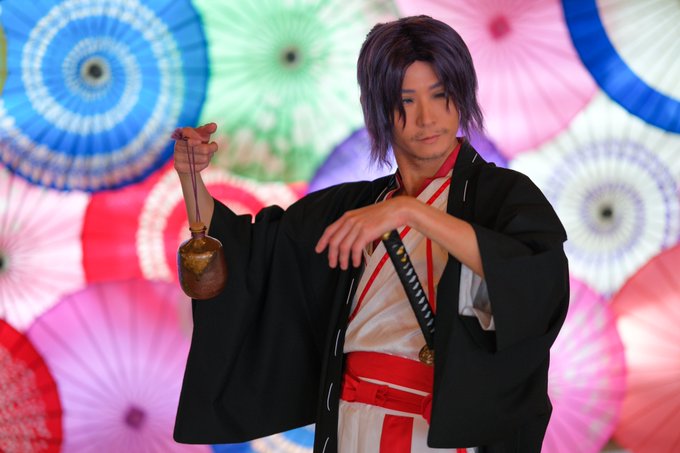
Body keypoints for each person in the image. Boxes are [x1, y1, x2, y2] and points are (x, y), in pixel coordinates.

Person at [173, 15, 569, 453]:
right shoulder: (354, 210)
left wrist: (410, 212)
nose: (427, 118)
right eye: (406, 101)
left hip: (437, 435)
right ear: (378, 108)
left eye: (440, 95)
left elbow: (532, 283)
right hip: (352, 423)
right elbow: (248, 257)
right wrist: (191, 179)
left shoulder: (504, 197)